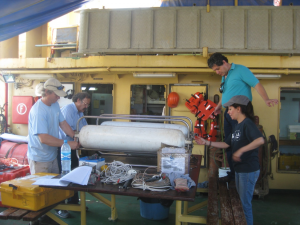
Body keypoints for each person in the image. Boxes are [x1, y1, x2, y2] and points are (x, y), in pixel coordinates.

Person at [207, 53, 278, 182]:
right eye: (215, 70)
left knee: (240, 143)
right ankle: (233, 174)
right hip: (228, 114)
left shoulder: (241, 70)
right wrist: (218, 106)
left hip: (240, 114)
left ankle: (241, 175)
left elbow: (256, 84)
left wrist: (266, 99)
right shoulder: (225, 76)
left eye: (217, 69)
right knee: (229, 144)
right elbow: (225, 93)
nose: (217, 72)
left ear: (224, 62)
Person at [195, 95, 264, 225]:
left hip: (248, 170)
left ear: (239, 109)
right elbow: (227, 144)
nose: (228, 112)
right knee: (241, 202)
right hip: (240, 170)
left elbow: (260, 140)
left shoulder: (247, 123)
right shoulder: (237, 126)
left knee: (244, 205)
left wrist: (241, 150)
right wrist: (206, 142)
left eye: (231, 109)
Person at [27, 78, 79, 175]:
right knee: (42, 189)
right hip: (40, 159)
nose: (58, 98)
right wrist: (67, 144)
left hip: (52, 156)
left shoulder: (54, 105)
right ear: (46, 92)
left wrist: (75, 136)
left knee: (54, 188)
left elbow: (63, 123)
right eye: (56, 95)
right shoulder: (38, 111)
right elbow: (44, 138)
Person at [57, 92, 91, 214]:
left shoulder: (80, 112)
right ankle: (61, 207)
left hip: (73, 148)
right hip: (65, 149)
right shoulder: (68, 110)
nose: (86, 107)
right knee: (64, 176)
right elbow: (70, 130)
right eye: (85, 104)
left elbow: (84, 128)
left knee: (75, 174)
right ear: (78, 101)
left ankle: (73, 203)